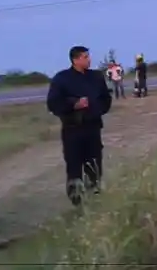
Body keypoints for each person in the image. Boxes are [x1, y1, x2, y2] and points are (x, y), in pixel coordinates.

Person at [47, 46, 113, 205]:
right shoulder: (62, 79)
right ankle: (77, 200)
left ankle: (96, 197)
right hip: (73, 130)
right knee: (74, 165)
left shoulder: (96, 77)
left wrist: (96, 111)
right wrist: (73, 105)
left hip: (93, 128)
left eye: (88, 56)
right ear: (75, 60)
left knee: (94, 163)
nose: (89, 60)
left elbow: (105, 98)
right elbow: (53, 104)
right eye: (85, 57)